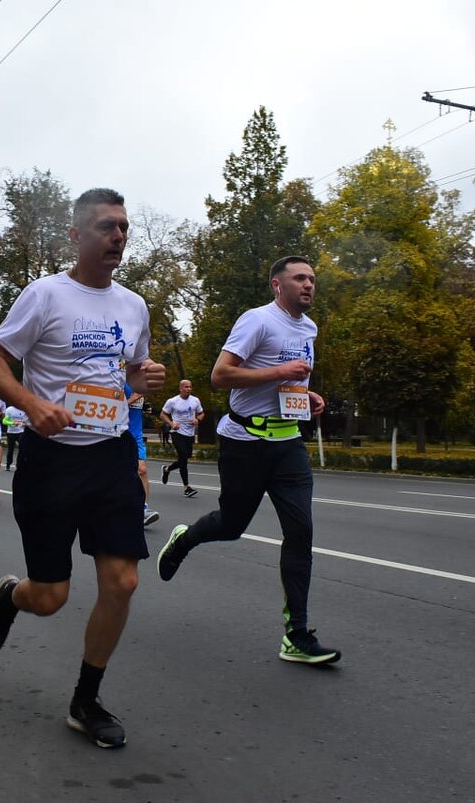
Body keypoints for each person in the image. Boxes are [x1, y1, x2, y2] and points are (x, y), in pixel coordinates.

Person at [0, 188, 166, 749]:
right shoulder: (45, 294)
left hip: (109, 456)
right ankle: (12, 595)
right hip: (51, 461)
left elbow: (127, 377)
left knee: (122, 580)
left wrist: (142, 382)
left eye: (124, 228)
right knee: (51, 596)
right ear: (77, 236)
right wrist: (31, 404)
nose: (119, 237)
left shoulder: (134, 306)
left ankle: (87, 699)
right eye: (107, 227)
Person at [156, 255, 341, 665]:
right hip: (244, 440)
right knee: (231, 525)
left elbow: (291, 378)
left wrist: (304, 397)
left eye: (312, 278)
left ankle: (296, 635)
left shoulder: (309, 327)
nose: (309, 284)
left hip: (288, 443)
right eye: (299, 278)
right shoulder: (256, 320)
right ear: (278, 285)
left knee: (301, 533)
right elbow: (221, 376)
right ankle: (184, 539)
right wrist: (279, 374)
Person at [160, 379, 204, 498]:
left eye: (190, 387)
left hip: (189, 433)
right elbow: (162, 414)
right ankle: (187, 487)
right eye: (186, 387)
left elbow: (201, 413)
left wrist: (197, 419)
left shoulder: (195, 400)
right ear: (180, 388)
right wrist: (171, 423)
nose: (188, 389)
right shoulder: (173, 401)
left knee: (186, 456)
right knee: (183, 457)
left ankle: (167, 469)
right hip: (177, 432)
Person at [125, 382, 160, 527]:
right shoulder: (119, 381)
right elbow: (111, 408)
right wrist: (132, 399)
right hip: (119, 433)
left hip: (137, 435)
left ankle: (143, 509)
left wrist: (144, 406)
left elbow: (136, 406)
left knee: (142, 470)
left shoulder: (139, 383)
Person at [4, 404, 27, 470]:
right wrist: (12, 423)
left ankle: (18, 465)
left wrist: (24, 424)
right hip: (11, 432)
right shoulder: (9, 409)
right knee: (11, 449)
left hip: (21, 432)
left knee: (22, 448)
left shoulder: (24, 409)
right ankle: (8, 464)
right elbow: (4, 421)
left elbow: (26, 420)